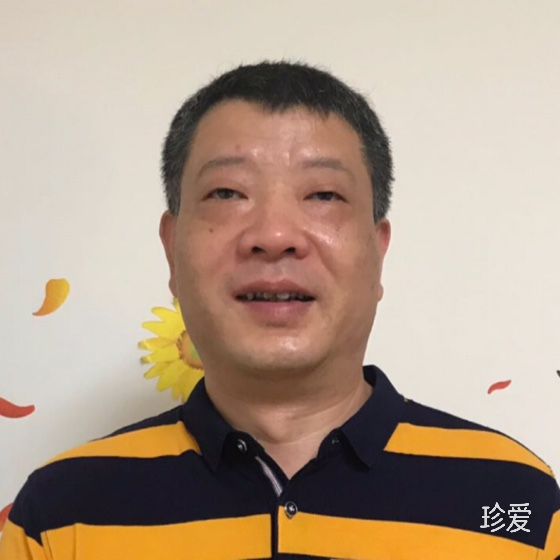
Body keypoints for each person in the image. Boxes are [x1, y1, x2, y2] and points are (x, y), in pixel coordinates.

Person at [1, 61, 559, 560]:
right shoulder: (60, 515)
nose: (273, 235)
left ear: (378, 249)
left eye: (323, 195)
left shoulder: (518, 504)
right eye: (227, 193)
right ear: (171, 250)